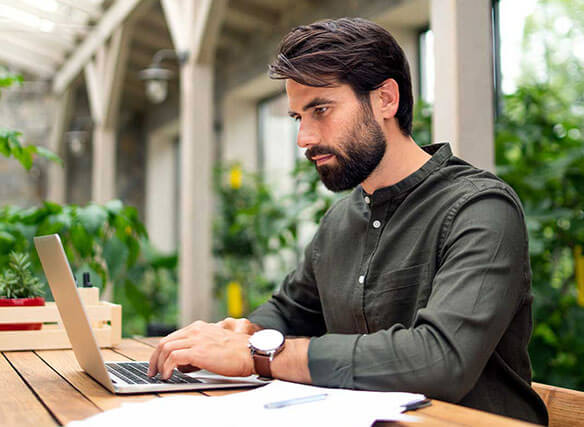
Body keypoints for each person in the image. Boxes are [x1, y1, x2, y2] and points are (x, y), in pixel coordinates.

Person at [148, 17, 548, 424]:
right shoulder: (341, 219)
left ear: (385, 100)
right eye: (297, 118)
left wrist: (258, 355)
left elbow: (440, 359)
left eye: (320, 109)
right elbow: (288, 312)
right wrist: (234, 334)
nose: (304, 138)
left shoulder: (479, 208)